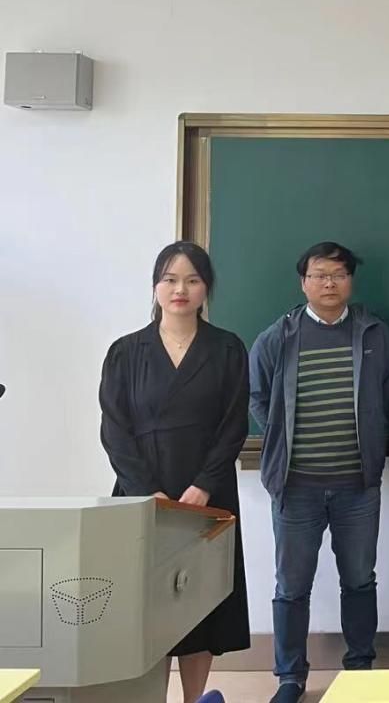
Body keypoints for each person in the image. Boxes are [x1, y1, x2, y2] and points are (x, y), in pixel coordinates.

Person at [98, 241, 249, 703]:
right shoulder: (125, 352)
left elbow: (234, 425)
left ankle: (195, 699)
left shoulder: (227, 348)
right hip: (143, 496)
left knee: (200, 602)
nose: (180, 289)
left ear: (206, 289)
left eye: (192, 280)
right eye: (170, 279)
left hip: (208, 494)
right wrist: (149, 492)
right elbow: (114, 429)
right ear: (155, 287)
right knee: (149, 605)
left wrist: (203, 485)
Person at [248, 241, 389, 703]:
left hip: (358, 487)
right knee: (291, 587)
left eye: (338, 274)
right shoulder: (279, 336)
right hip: (295, 488)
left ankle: (360, 670)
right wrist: (280, 437)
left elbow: (386, 391)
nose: (329, 283)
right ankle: (290, 678)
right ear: (304, 282)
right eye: (319, 275)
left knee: (360, 580)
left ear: (350, 281)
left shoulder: (373, 333)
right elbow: (256, 396)